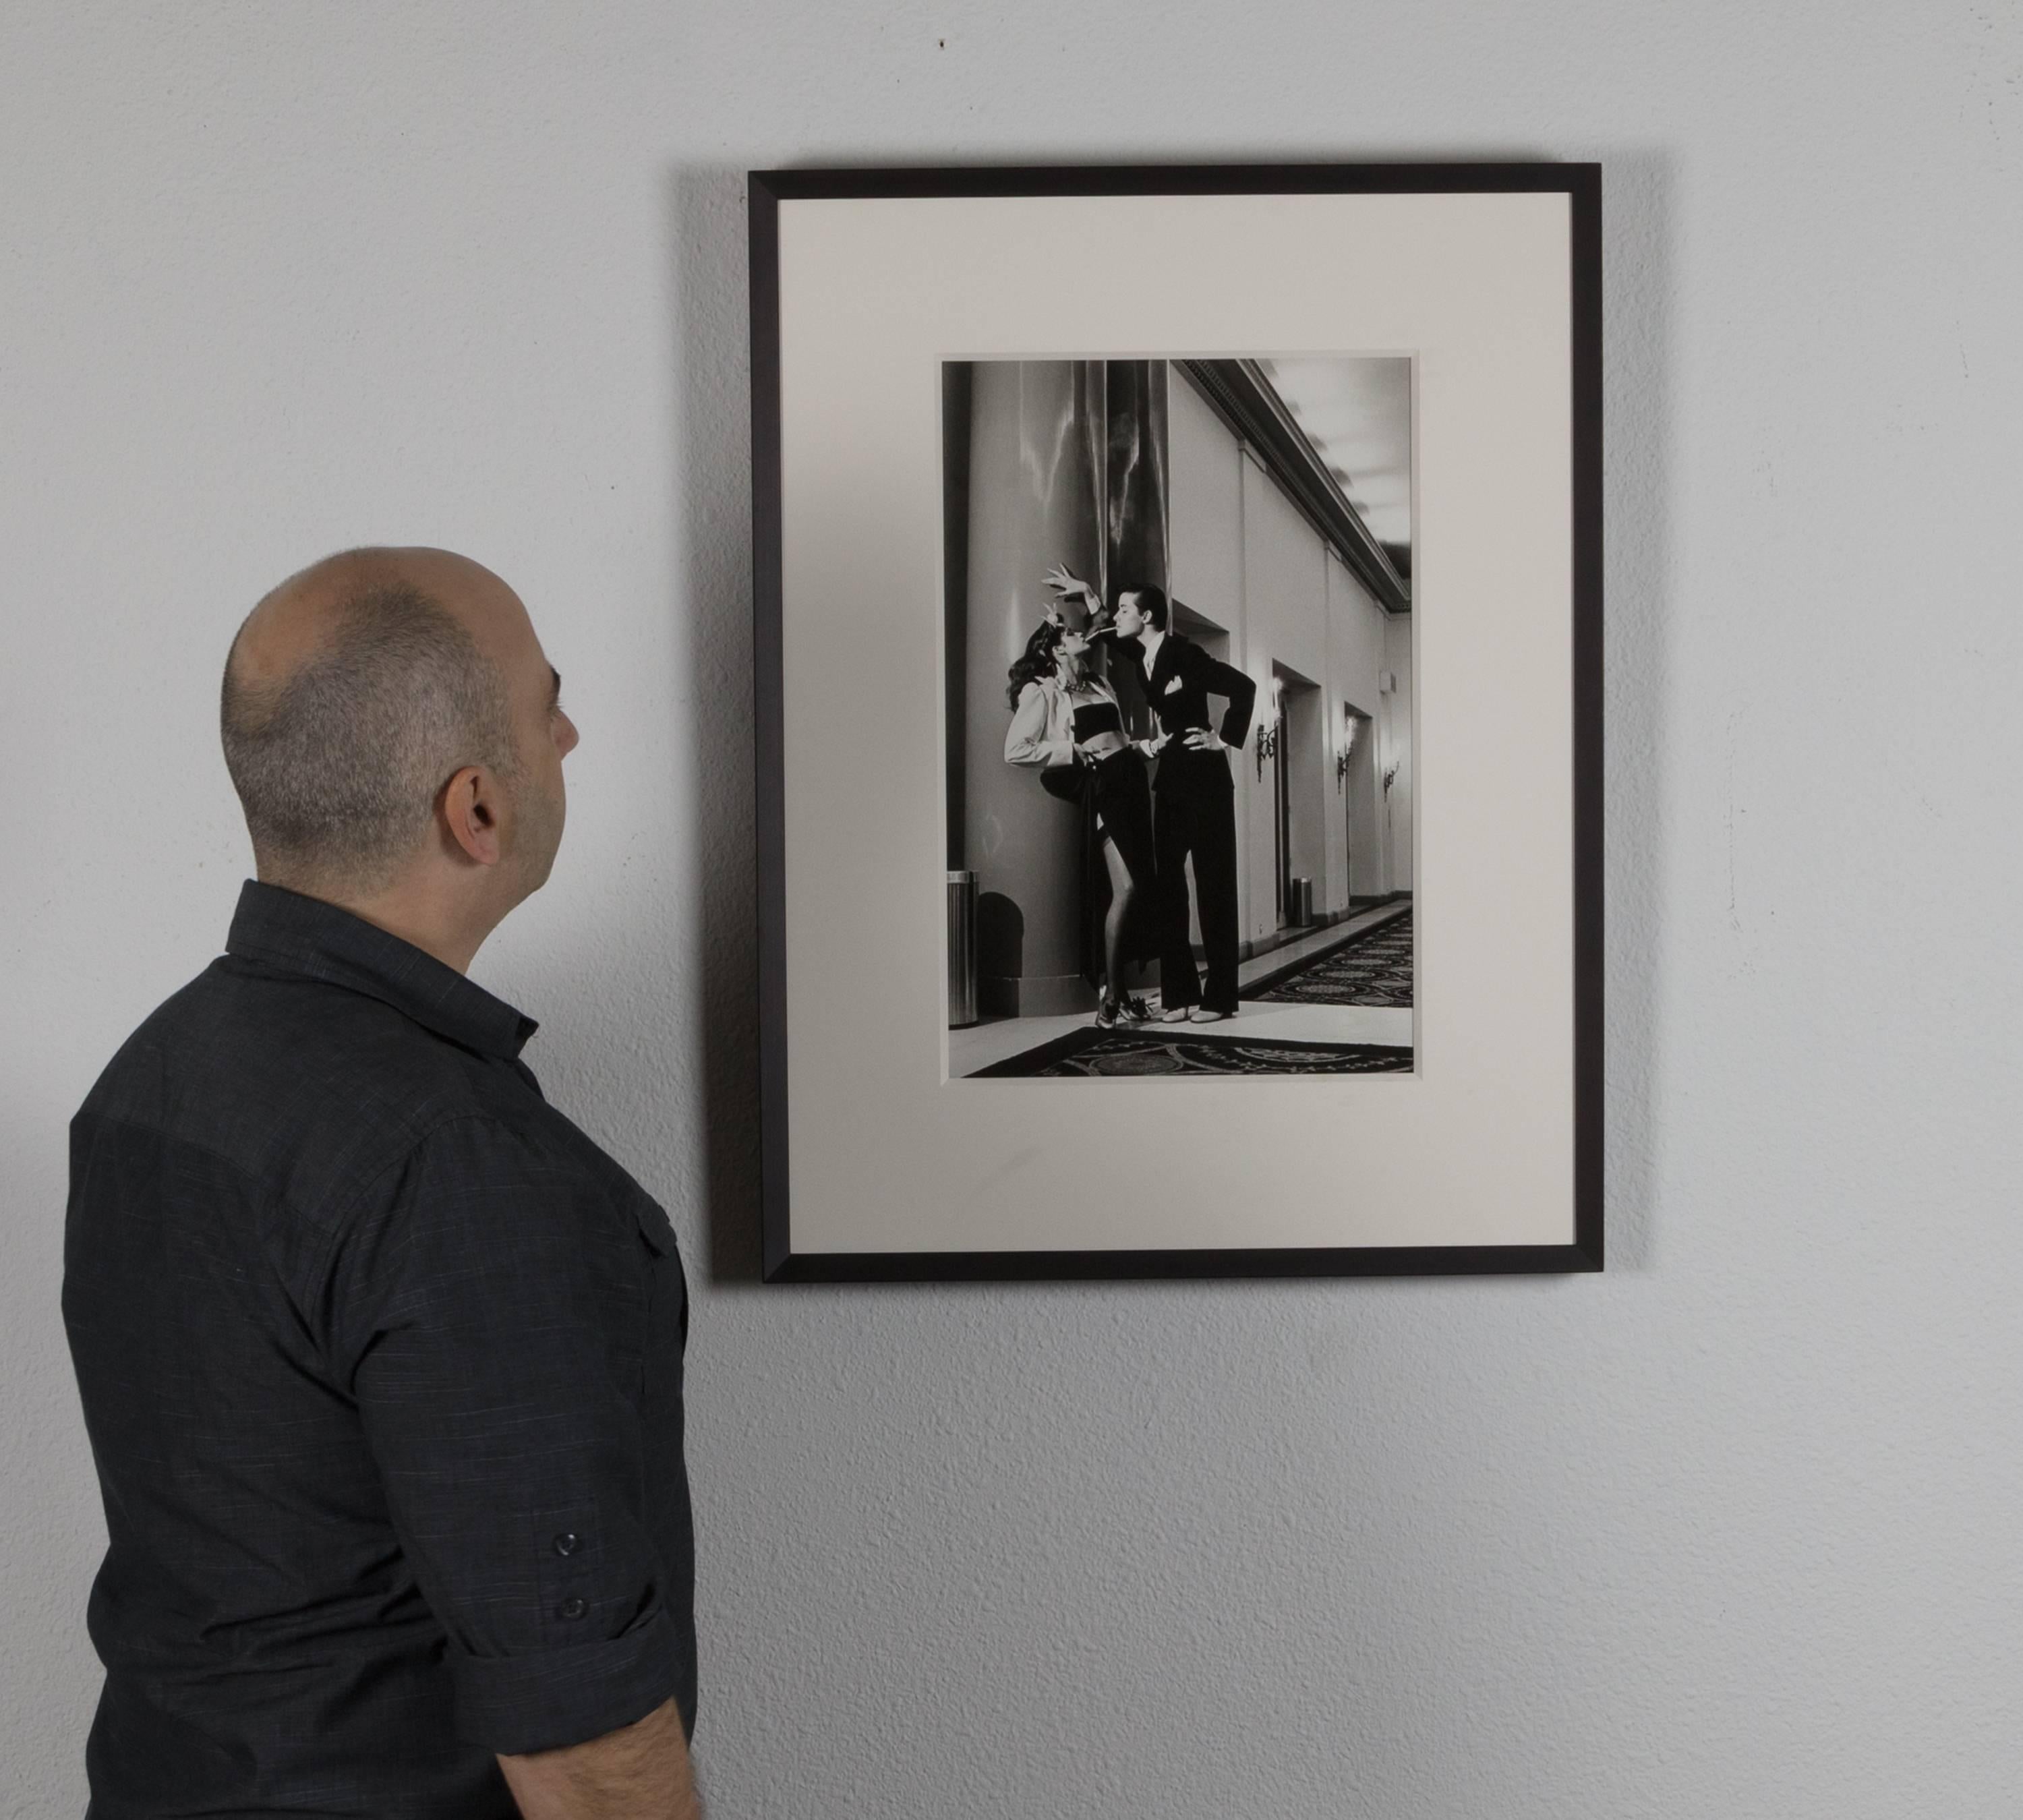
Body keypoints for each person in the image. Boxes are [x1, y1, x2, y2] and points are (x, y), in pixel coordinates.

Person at [63, 548, 701, 1818]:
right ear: (476, 808)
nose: (569, 732)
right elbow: (579, 1739)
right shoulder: (463, 1172)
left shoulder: (152, 1076)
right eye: (546, 705)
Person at [1059, 573, 1255, 1022]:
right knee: (1168, 888)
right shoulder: (1140, 652)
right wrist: (1089, 596)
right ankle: (1180, 994)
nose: (1119, 613)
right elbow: (1111, 629)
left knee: (1214, 885)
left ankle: (1220, 997)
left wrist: (1223, 739)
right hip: (1169, 783)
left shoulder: (1186, 653)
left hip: (1206, 780)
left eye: (1127, 608)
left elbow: (1244, 687)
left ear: (1147, 616)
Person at [1003, 605, 1159, 1027]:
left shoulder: (1101, 683)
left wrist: (1149, 748)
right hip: (1103, 786)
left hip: (1131, 782)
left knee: (1140, 887)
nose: (1080, 637)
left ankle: (1121, 993)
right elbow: (1015, 750)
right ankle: (1110, 996)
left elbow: (1121, 738)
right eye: (1071, 635)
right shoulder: (1044, 691)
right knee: (1124, 890)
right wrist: (1072, 751)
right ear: (1057, 650)